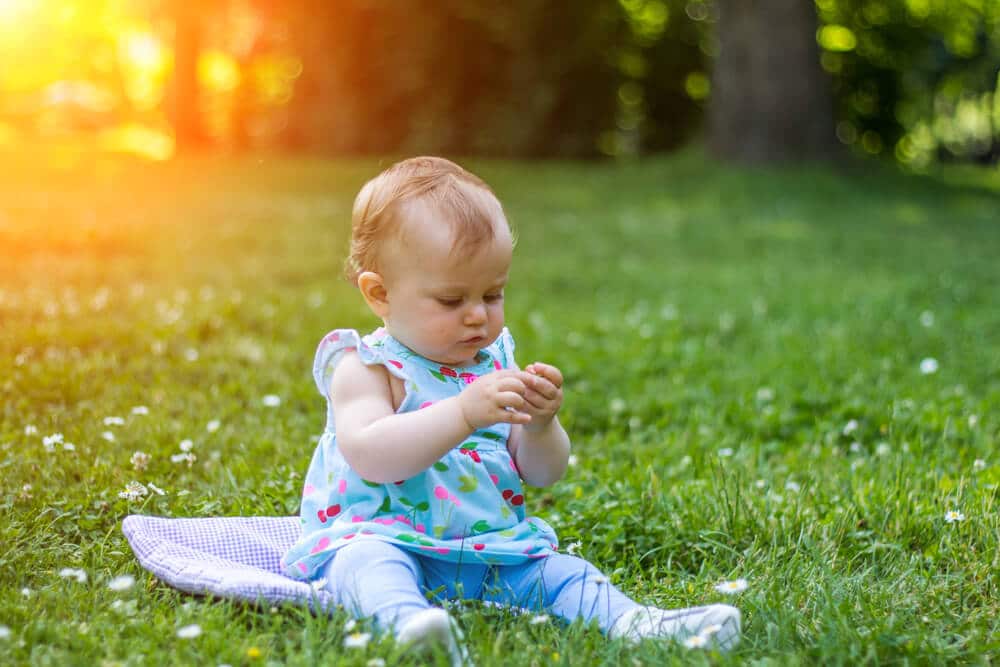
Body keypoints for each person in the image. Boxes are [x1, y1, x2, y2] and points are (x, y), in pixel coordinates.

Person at [282, 157, 740, 662]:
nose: (478, 314)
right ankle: (408, 626)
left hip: (489, 546)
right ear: (380, 294)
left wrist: (542, 423)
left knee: (564, 572)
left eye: (493, 293)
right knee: (366, 566)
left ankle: (637, 622)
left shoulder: (493, 362)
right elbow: (372, 455)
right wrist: (463, 413)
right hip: (382, 535)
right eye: (451, 299)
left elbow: (542, 473)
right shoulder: (366, 365)